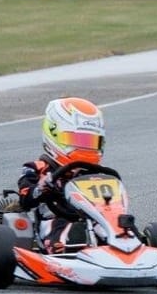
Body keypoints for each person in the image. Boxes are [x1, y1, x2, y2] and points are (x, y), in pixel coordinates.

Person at [15, 97, 106, 254]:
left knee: (119, 224)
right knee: (64, 228)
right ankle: (66, 250)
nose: (85, 147)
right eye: (77, 140)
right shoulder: (38, 168)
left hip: (94, 219)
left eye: (91, 142)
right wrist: (41, 188)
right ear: (54, 135)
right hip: (55, 219)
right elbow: (25, 199)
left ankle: (131, 246)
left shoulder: (96, 174)